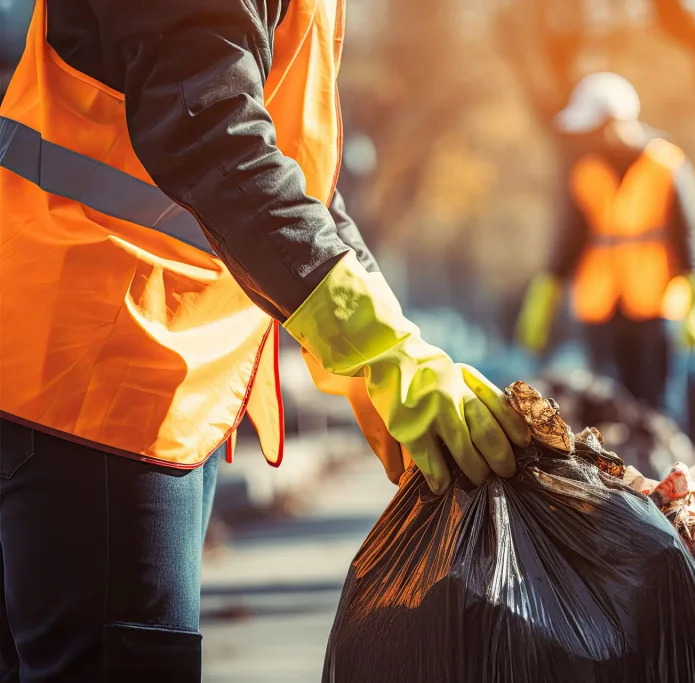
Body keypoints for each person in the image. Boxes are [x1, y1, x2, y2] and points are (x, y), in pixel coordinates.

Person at [0, 0, 531, 680]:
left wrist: (385, 349)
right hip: (99, 366)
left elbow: (291, 171)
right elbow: (213, 137)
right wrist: (379, 350)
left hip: (114, 362)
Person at [515, 72, 695, 410]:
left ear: (612, 123)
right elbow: (571, 238)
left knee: (659, 404)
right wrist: (545, 293)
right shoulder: (586, 171)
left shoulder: (665, 162)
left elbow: (690, 230)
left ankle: (665, 462)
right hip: (602, 306)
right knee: (609, 405)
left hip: (657, 303)